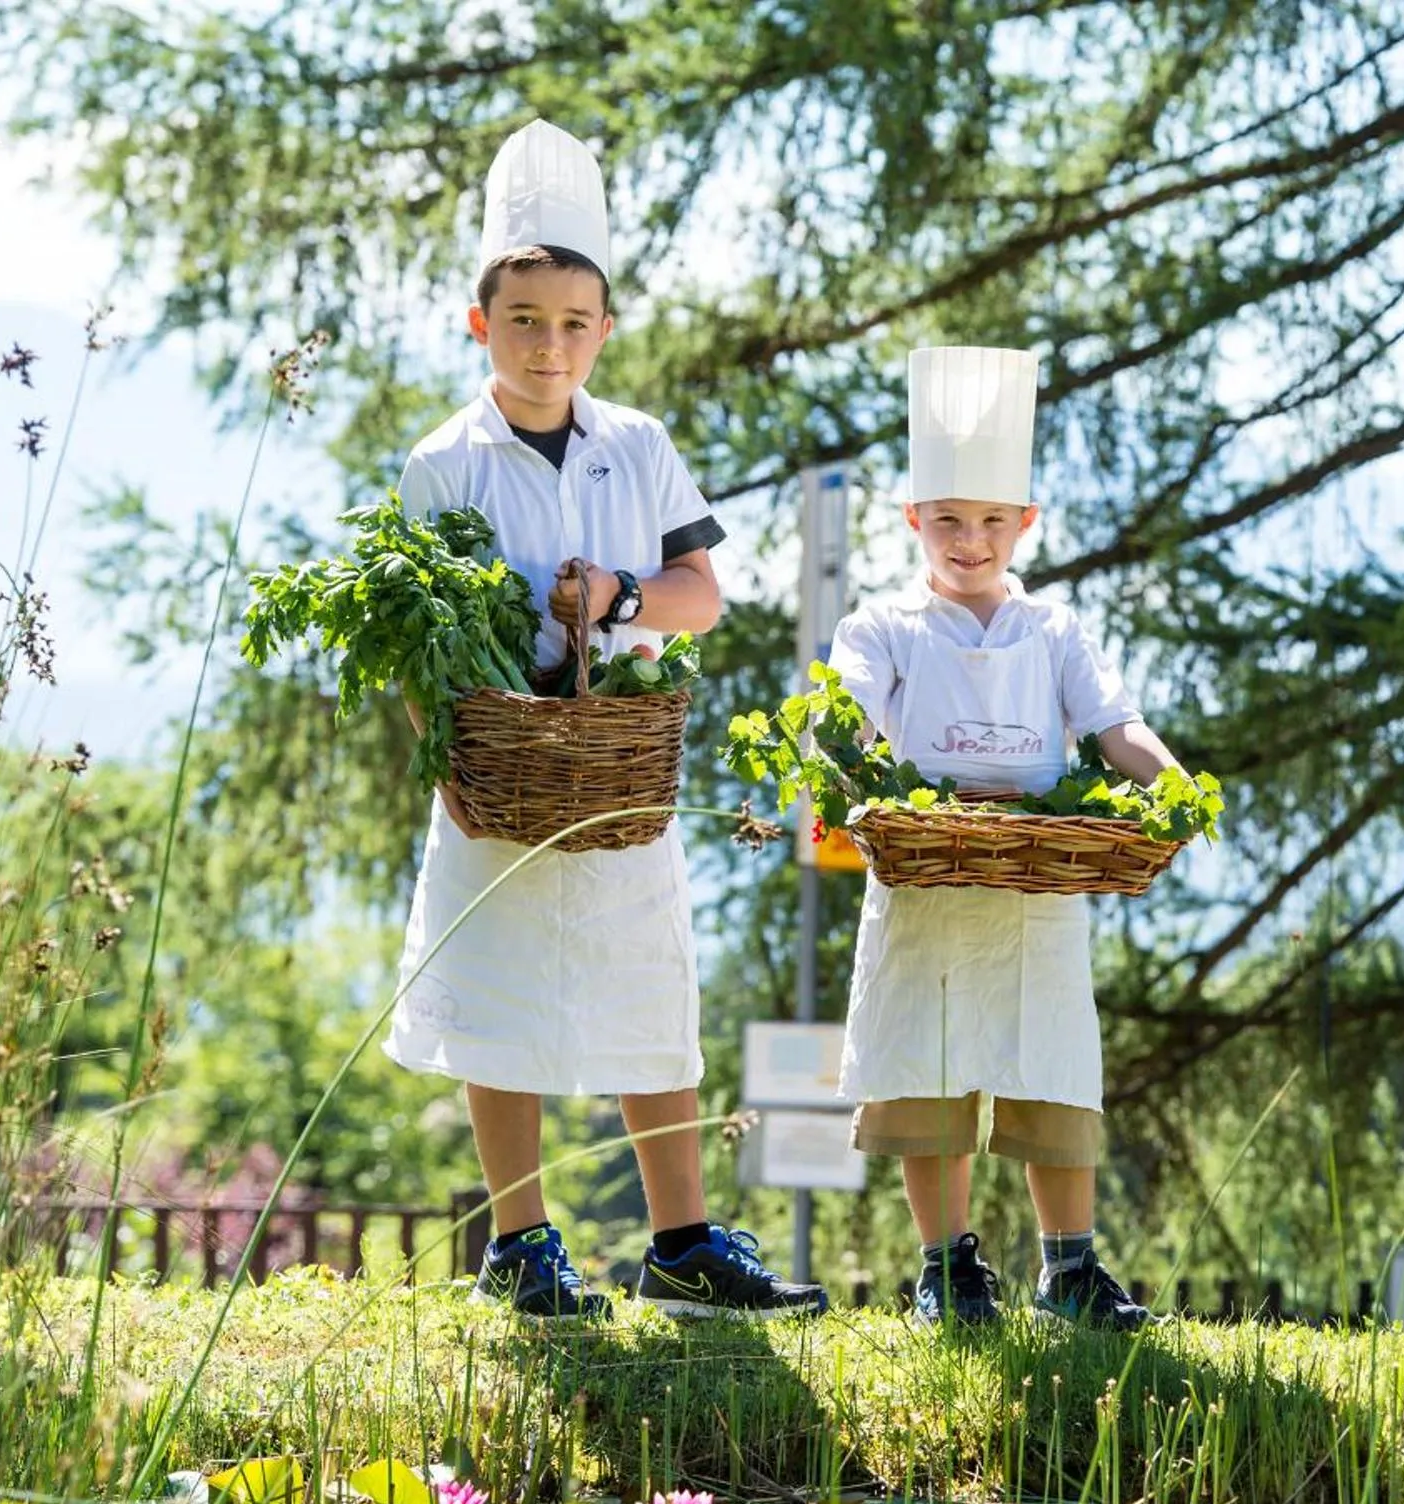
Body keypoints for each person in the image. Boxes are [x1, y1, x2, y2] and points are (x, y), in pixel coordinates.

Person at [386, 119, 826, 1322]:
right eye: (524, 320)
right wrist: (451, 759)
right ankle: (520, 1245)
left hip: (616, 765)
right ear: (481, 324)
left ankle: (680, 1243)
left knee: (648, 986)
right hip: (499, 769)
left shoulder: (637, 446)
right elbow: (413, 632)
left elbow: (702, 597)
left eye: (574, 323)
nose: (549, 345)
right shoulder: (445, 463)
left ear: (605, 332)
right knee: (498, 990)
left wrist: (621, 597)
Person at [828, 345, 1189, 1331]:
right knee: (929, 1067)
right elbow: (851, 714)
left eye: (991, 521)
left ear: (1024, 523)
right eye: (948, 519)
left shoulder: (1054, 630)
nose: (969, 540)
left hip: (1036, 878)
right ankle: (947, 1269)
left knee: (1050, 1064)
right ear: (914, 520)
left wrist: (1173, 787)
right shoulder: (885, 626)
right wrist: (834, 760)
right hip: (927, 876)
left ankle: (1068, 1270)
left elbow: (1116, 727)